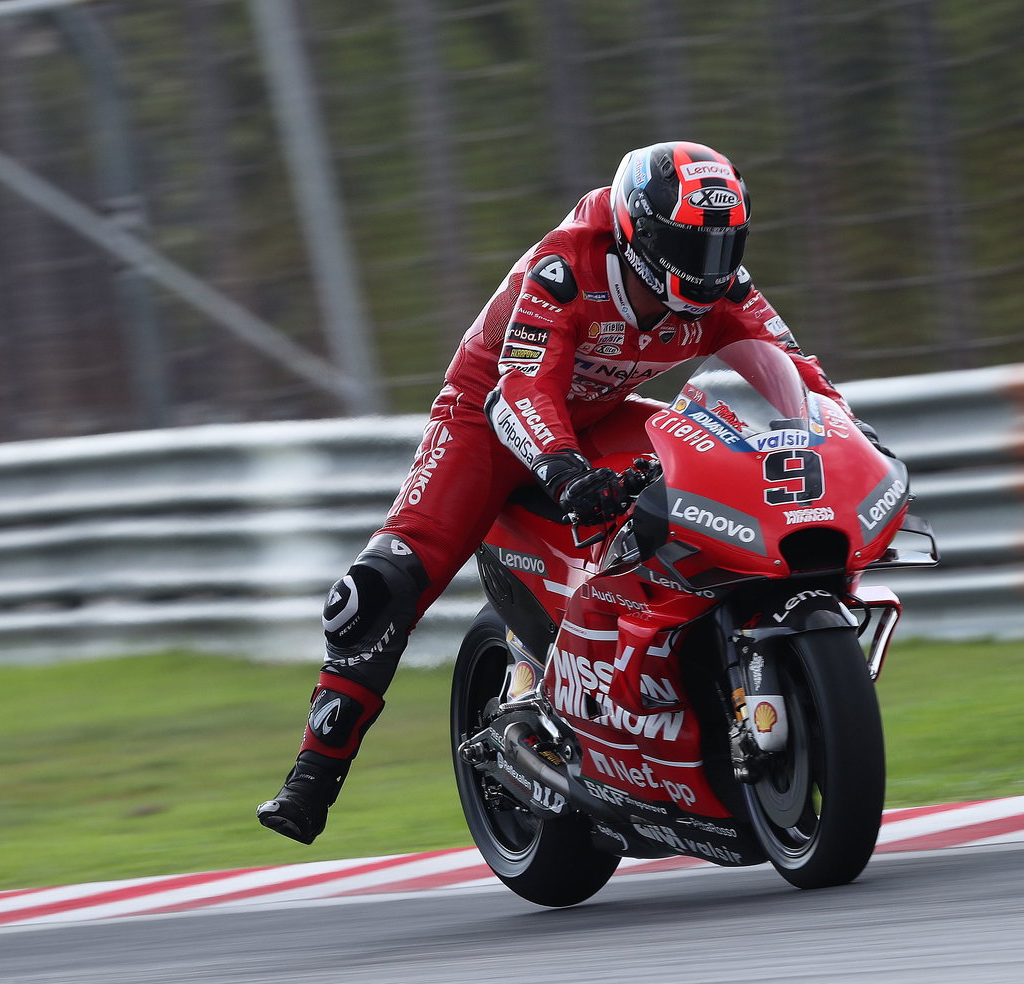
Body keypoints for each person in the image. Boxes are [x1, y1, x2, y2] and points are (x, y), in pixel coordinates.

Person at [257, 141, 882, 844]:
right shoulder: (566, 269)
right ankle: (313, 776)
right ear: (637, 233)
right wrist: (561, 467)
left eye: (723, 246)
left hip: (604, 413)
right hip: (487, 419)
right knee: (377, 591)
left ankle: (684, 681)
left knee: (720, 484)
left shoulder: (725, 286)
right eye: (689, 245)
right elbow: (519, 385)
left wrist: (847, 438)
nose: (709, 268)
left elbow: (798, 376)